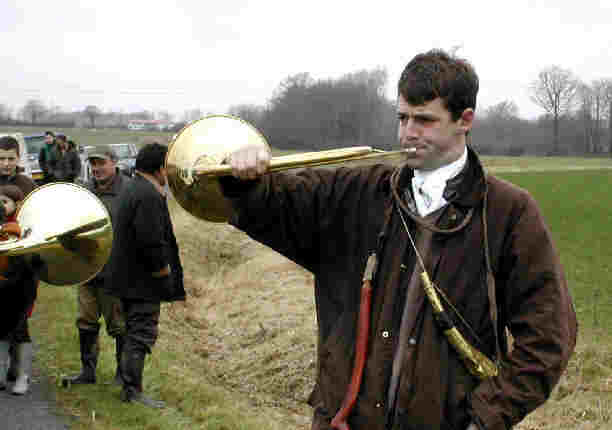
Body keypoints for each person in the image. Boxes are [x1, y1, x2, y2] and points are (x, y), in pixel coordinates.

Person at [219, 49, 577, 430]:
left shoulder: (510, 214)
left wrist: (485, 419)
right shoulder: (355, 193)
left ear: (464, 120)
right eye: (403, 117)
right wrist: (245, 178)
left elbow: (548, 338)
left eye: (424, 120)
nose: (408, 132)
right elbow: (273, 205)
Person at [108, 142, 185, 408]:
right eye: (169, 167)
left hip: (128, 278)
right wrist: (163, 272)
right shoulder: (148, 195)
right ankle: (133, 391)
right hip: (142, 282)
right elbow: (151, 241)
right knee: (140, 333)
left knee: (132, 332)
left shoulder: (133, 187)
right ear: (160, 168)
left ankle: (129, 387)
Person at [61, 146, 128, 388]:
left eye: (101, 163)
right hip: (86, 269)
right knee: (85, 320)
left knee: (119, 325)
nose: (97, 168)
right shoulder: (85, 191)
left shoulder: (128, 190)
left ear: (114, 162)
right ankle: (87, 372)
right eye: (93, 164)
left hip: (115, 271)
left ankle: (123, 375)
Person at [0, 136, 39, 395]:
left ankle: (19, 371)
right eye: (1, 158)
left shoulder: (28, 185)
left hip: (23, 267)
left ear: (18, 158)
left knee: (20, 322)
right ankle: (6, 371)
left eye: (10, 158)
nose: (5, 164)